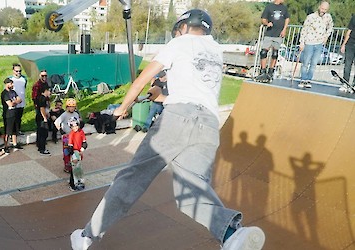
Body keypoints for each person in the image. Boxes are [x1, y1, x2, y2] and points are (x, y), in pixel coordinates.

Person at [70, 9, 265, 250]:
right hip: (208, 124)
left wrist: (121, 109)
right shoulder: (215, 49)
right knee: (191, 194)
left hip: (178, 119)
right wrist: (161, 95)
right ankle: (233, 235)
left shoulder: (179, 43)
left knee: (133, 177)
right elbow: (194, 91)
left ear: (184, 26)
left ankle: (87, 236)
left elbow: (142, 80)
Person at [298, 1, 333, 88]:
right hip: (309, 42)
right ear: (319, 7)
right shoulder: (311, 17)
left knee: (314, 63)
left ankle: (309, 79)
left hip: (319, 43)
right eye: (322, 8)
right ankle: (303, 79)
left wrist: (326, 37)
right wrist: (301, 42)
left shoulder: (328, 17)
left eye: (325, 9)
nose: (323, 11)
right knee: (305, 62)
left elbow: (330, 27)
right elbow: (304, 30)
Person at [256, 0, 290, 83]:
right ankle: (263, 70)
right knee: (264, 52)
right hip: (269, 33)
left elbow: (287, 18)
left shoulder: (284, 8)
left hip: (278, 34)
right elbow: (263, 19)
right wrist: (267, 23)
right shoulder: (269, 7)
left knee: (275, 53)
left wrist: (284, 29)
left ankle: (271, 71)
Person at [54, 98, 82, 173]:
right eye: (70, 107)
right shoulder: (64, 115)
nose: (72, 108)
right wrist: (60, 130)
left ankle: (75, 164)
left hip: (75, 136)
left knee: (75, 150)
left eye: (73, 107)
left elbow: (78, 124)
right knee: (66, 152)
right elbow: (56, 122)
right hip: (66, 136)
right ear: (67, 107)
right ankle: (67, 165)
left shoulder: (76, 114)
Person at [1, 78, 23, 154]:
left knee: (14, 130)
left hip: (14, 113)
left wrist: (15, 102)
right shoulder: (4, 93)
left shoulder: (13, 92)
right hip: (8, 115)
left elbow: (20, 99)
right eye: (11, 83)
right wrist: (15, 102)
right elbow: (10, 104)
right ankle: (6, 146)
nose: (12, 85)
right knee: (7, 131)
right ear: (7, 84)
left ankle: (15, 143)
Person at [66, 117, 87, 191]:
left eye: (76, 125)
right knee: (74, 169)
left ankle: (79, 182)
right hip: (74, 153)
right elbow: (70, 147)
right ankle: (72, 184)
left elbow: (84, 143)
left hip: (79, 152)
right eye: (73, 126)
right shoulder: (71, 134)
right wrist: (73, 156)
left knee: (79, 169)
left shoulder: (81, 132)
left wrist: (82, 149)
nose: (75, 127)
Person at [9, 63, 27, 135]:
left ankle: (18, 130)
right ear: (13, 71)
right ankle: (12, 133)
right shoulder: (10, 79)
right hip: (13, 102)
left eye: (20, 71)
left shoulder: (24, 79)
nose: (18, 72)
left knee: (19, 117)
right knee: (13, 118)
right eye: (16, 71)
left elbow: (24, 88)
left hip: (21, 102)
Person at [35, 86, 52, 155]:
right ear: (46, 90)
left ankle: (39, 146)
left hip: (39, 117)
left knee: (40, 133)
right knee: (44, 134)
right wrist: (45, 118)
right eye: (49, 91)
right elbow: (42, 109)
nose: (50, 92)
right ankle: (42, 149)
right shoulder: (43, 99)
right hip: (42, 118)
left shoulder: (40, 98)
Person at [341, 14, 355, 86]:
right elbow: (349, 31)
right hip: (351, 43)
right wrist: (343, 44)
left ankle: (354, 84)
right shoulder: (354, 17)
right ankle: (345, 83)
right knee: (347, 64)